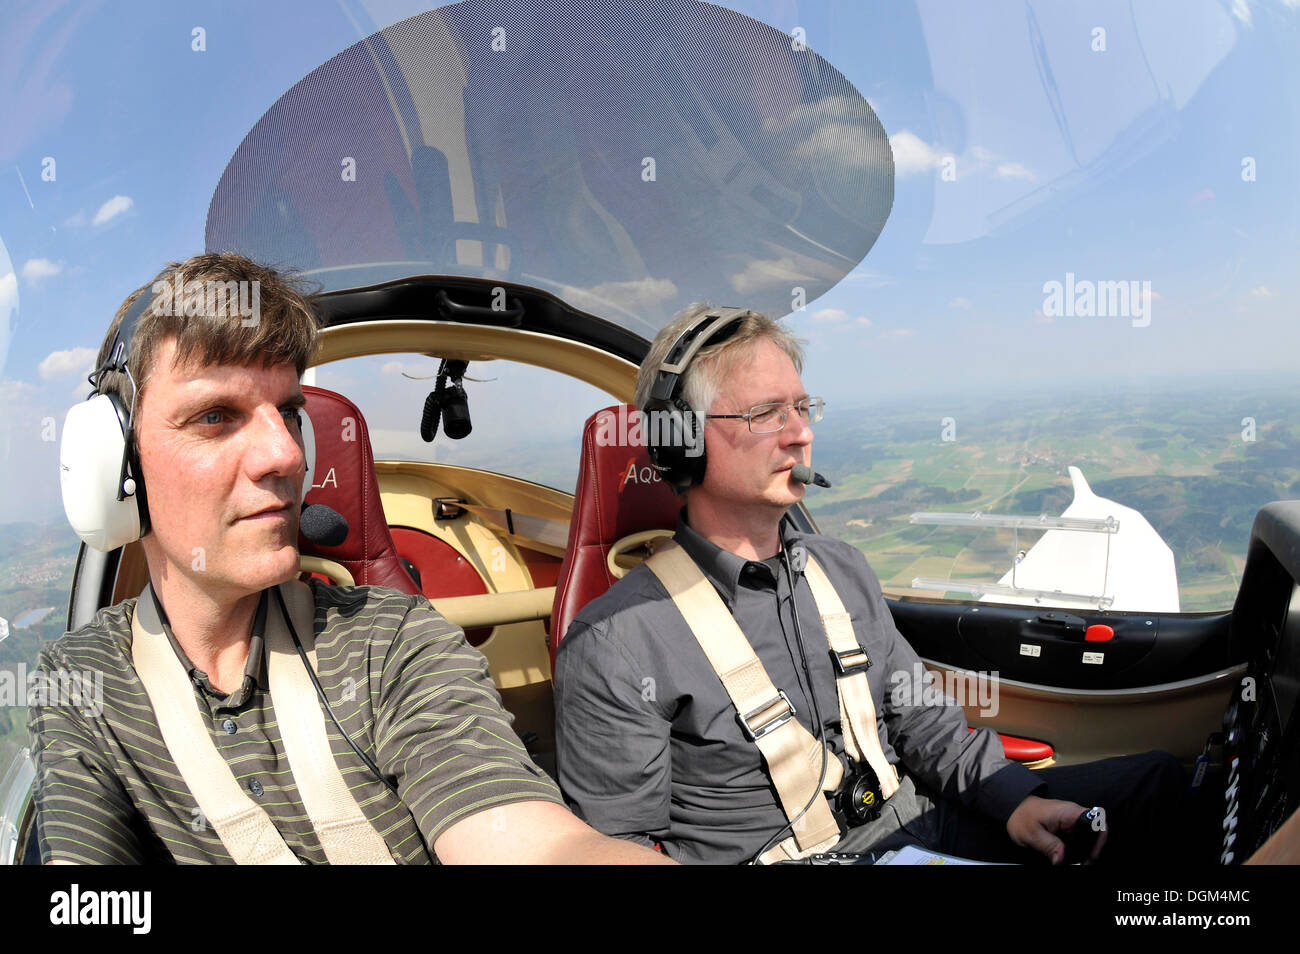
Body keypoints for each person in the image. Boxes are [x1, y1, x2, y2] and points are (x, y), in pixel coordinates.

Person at [29, 253, 670, 865]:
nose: (285, 455)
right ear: (116, 464)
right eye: (216, 416)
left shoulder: (389, 640)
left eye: (288, 413)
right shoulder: (84, 684)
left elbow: (534, 843)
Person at [554, 303, 1189, 865]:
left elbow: (926, 726)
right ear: (682, 442)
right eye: (765, 413)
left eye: (802, 408)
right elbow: (617, 851)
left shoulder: (842, 569)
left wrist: (1012, 801)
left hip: (922, 827)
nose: (801, 433)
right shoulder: (615, 641)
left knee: (1162, 787)